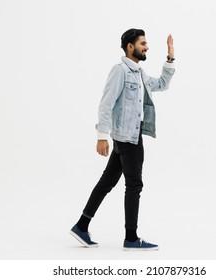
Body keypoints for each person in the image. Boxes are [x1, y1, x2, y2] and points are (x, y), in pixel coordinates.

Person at [70, 28, 175, 251]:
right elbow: (106, 103)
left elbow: (161, 85)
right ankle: (131, 238)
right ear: (130, 46)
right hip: (127, 140)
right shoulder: (120, 71)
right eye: (143, 43)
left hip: (128, 137)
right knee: (134, 185)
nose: (147, 47)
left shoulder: (139, 73)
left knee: (107, 182)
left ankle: (81, 225)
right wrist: (101, 136)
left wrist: (170, 58)